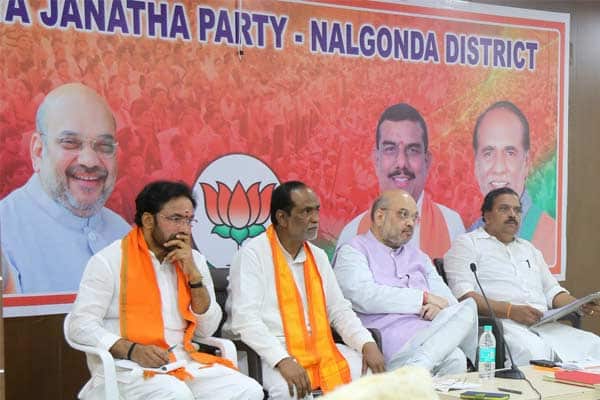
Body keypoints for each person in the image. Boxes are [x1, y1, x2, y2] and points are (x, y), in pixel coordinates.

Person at [67, 181, 263, 400]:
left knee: (249, 390)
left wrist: (194, 276)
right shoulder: (110, 261)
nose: (184, 229)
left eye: (188, 220)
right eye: (176, 219)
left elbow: (206, 330)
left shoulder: (194, 260)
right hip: (128, 369)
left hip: (183, 362)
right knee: (175, 394)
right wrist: (131, 349)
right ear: (148, 220)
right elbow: (80, 325)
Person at [223, 181, 386, 399]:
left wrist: (366, 342)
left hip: (318, 348)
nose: (316, 219)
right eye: (306, 212)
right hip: (266, 352)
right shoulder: (253, 254)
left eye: (317, 210)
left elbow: (338, 309)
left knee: (369, 373)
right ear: (282, 218)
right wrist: (281, 359)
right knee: (290, 389)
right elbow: (245, 321)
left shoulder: (317, 256)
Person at [444, 187, 600, 366]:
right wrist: (511, 311)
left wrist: (578, 304)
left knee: (594, 345)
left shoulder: (529, 249)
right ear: (486, 215)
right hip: (501, 326)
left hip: (542, 324)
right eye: (504, 209)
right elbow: (464, 296)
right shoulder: (467, 244)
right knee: (533, 352)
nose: (512, 215)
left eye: (517, 210)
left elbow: (552, 290)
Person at [0, 82, 130, 293]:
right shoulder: (6, 235)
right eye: (70, 143)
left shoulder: (124, 233)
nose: (90, 161)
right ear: (38, 151)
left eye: (104, 146)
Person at [334, 190, 477, 375]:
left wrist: (440, 308)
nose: (410, 223)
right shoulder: (353, 251)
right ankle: (420, 363)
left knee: (462, 331)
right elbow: (363, 296)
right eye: (403, 215)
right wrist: (422, 299)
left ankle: (419, 364)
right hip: (392, 342)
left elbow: (448, 300)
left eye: (414, 217)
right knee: (456, 349)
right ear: (379, 216)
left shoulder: (419, 257)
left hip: (431, 335)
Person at [337, 103, 464, 260]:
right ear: (376, 159)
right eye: (390, 149)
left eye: (412, 150)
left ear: (427, 160)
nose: (402, 163)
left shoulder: (451, 225)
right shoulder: (352, 233)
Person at [468, 101, 556, 265]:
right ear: (476, 163)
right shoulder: (469, 234)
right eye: (488, 153)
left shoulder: (548, 235)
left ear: (526, 162)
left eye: (510, 153)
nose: (499, 168)